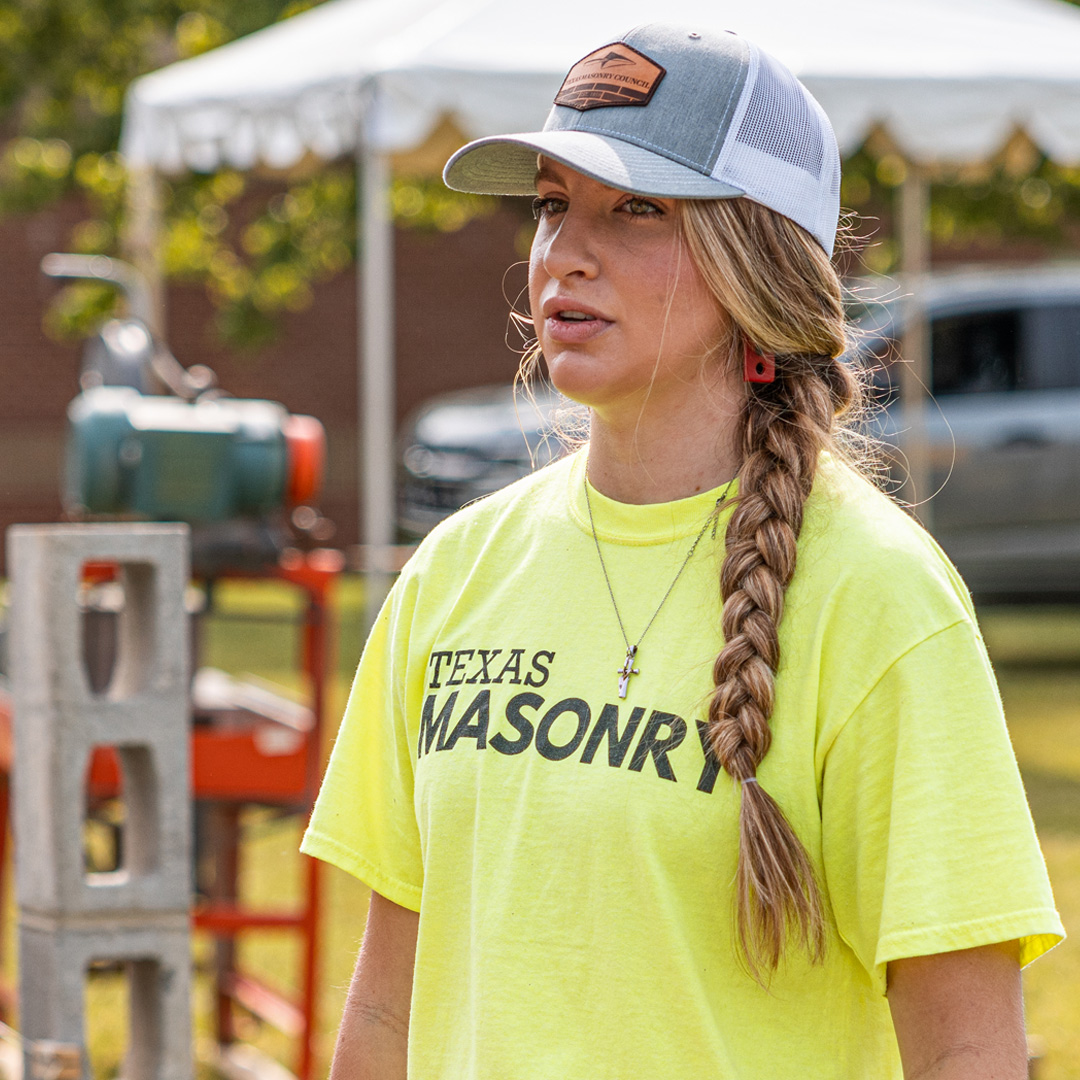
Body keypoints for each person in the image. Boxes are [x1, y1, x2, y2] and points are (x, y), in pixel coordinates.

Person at [301, 23, 1063, 1080]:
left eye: (639, 209)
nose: (565, 250)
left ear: (756, 258)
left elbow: (969, 1052)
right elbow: (387, 1010)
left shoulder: (879, 596)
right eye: (553, 204)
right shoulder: (455, 570)